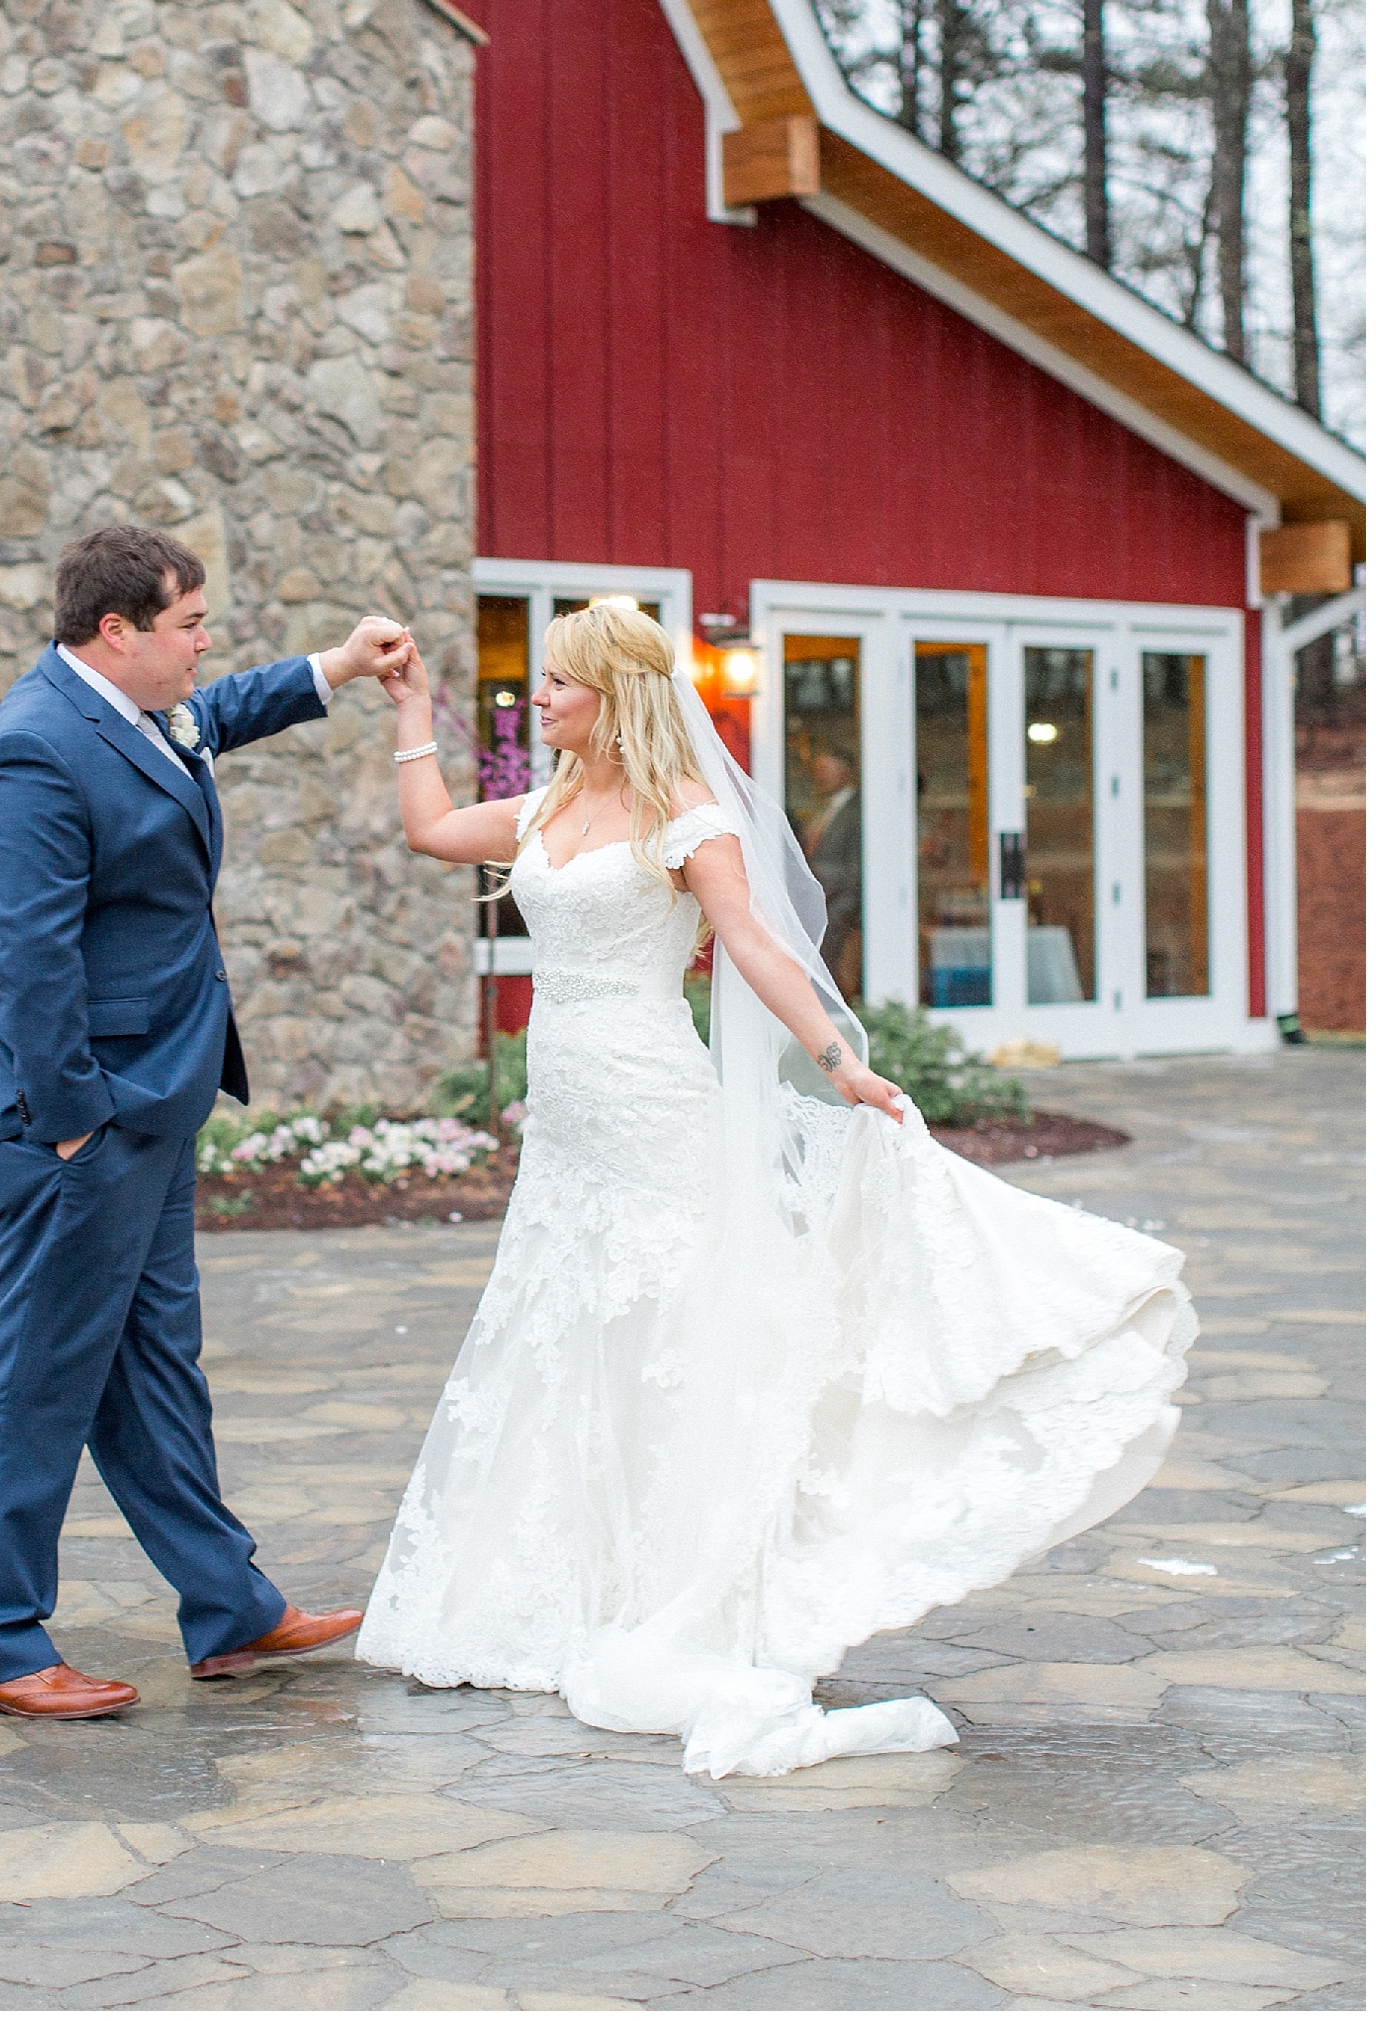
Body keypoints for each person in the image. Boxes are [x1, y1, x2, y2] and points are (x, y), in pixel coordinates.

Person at [357, 603, 1194, 1779]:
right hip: (572, 1123)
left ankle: (709, 1562)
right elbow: (434, 827)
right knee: (571, 1325)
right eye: (537, 683)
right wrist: (405, 711)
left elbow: (751, 940)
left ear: (615, 693)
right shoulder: (543, 804)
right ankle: (565, 1582)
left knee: (682, 1319)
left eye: (556, 684)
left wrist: (841, 1058)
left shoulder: (681, 811)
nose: (535, 699)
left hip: (653, 1098)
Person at [0, 523, 405, 1719]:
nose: (207, 644)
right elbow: (31, 954)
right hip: (77, 1117)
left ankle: (230, 1606)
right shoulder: (33, 750)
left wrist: (338, 666)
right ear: (118, 631)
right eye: (189, 625)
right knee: (35, 1381)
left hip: (156, 1104)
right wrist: (74, 1124)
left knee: (155, 1369)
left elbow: (221, 712)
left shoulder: (144, 707)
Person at [803, 746, 862, 998]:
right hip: (821, 902)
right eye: (817, 770)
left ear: (845, 771)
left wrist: (830, 905)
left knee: (830, 970)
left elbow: (855, 866)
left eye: (826, 769)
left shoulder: (856, 811)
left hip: (840, 906)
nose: (820, 776)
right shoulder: (825, 808)